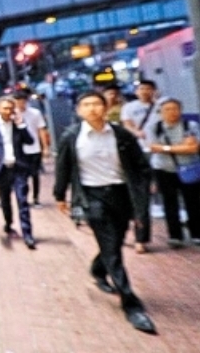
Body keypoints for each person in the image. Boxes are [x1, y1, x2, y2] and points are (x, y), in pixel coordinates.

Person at [54, 91, 156, 334]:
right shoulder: (72, 136)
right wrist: (60, 195)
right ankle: (131, 304)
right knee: (112, 247)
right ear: (79, 110)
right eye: (86, 105)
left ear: (106, 107)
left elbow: (141, 165)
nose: (92, 108)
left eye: (96, 104)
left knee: (116, 241)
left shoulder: (121, 135)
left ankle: (99, 269)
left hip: (121, 195)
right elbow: (63, 167)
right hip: (92, 197)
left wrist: (144, 188)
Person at [0, 96, 37, 249]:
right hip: (2, 169)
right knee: (5, 199)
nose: (8, 111)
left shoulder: (18, 124)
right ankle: (8, 223)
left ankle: (27, 234)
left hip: (19, 168)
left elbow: (30, 141)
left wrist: (21, 125)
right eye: (5, 108)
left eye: (11, 108)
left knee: (22, 200)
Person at [146, 98, 200, 248]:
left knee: (193, 202)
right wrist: (181, 147)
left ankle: (197, 234)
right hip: (163, 169)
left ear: (180, 110)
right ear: (161, 112)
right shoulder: (154, 127)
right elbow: (153, 147)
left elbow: (193, 148)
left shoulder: (190, 125)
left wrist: (165, 148)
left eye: (175, 109)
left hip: (189, 169)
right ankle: (175, 236)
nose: (172, 112)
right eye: (167, 109)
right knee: (170, 203)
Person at [120, 79, 162, 254]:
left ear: (154, 91)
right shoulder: (129, 107)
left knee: (144, 197)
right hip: (136, 155)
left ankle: (141, 238)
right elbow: (127, 124)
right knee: (134, 198)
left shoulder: (161, 106)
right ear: (136, 91)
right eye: (141, 88)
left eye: (148, 88)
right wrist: (136, 132)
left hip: (158, 152)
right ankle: (130, 233)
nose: (145, 91)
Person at [13, 89, 51, 207]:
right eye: (18, 102)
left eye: (22, 101)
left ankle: (36, 198)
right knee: (22, 176)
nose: (20, 104)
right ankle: (23, 198)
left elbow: (41, 130)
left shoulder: (35, 113)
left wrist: (45, 147)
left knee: (35, 175)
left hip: (34, 149)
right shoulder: (12, 115)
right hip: (19, 151)